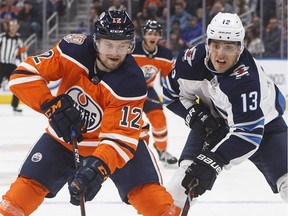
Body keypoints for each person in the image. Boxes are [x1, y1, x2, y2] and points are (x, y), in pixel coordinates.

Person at [0, 10, 181, 216]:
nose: (115, 52)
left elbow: (119, 139)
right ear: (96, 41)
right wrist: (51, 106)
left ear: (130, 45)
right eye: (108, 44)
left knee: (156, 204)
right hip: (64, 138)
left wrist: (97, 168)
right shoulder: (72, 50)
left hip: (119, 143)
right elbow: (23, 75)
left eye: (122, 45)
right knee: (16, 201)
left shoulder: (132, 83)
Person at [162, 12, 287, 209]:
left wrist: (215, 161)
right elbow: (170, 95)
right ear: (207, 44)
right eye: (216, 45)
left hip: (265, 125)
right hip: (213, 121)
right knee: (181, 183)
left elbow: (249, 134)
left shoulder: (246, 79)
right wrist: (193, 113)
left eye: (229, 47)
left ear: (240, 48)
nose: (220, 54)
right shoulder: (190, 62)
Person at [132, 20, 178, 166]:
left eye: (156, 34)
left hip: (148, 90)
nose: (152, 36)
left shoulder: (165, 54)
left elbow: (169, 78)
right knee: (130, 123)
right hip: (127, 92)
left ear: (160, 37)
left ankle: (162, 151)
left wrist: (176, 93)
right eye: (149, 33)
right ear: (144, 35)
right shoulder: (131, 49)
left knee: (159, 120)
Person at [0, 20, 27, 113]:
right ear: (9, 27)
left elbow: (23, 53)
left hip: (11, 65)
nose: (13, 28)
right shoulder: (2, 37)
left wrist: (24, 65)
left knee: (16, 84)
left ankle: (15, 106)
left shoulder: (18, 40)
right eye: (12, 26)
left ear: (17, 27)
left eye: (15, 26)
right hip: (1, 64)